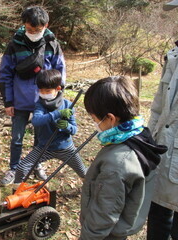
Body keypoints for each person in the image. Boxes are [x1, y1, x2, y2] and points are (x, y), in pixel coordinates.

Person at [79, 76, 167, 240]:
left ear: (111, 119)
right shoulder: (139, 136)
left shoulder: (116, 164)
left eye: (94, 119)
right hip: (119, 227)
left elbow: (103, 216)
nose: (94, 124)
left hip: (105, 235)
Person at [0, 6, 66, 186]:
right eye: (29, 29)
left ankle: (37, 165)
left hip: (44, 101)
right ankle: (14, 168)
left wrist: (57, 98)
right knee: (17, 138)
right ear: (24, 25)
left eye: (37, 30)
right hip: (19, 101)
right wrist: (8, 101)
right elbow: (5, 75)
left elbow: (60, 72)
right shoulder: (14, 44)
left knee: (41, 138)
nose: (33, 33)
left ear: (46, 25)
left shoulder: (52, 44)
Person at [13, 69, 86, 185]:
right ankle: (18, 192)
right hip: (44, 148)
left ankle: (90, 189)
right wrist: (57, 114)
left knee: (84, 173)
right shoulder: (40, 105)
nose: (43, 93)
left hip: (66, 148)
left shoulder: (68, 105)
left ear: (58, 88)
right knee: (21, 168)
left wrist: (67, 126)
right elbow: (36, 121)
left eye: (47, 90)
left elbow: (74, 130)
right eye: (40, 90)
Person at [146, 1, 178, 239]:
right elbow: (157, 107)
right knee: (156, 217)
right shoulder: (173, 56)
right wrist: (146, 141)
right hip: (161, 153)